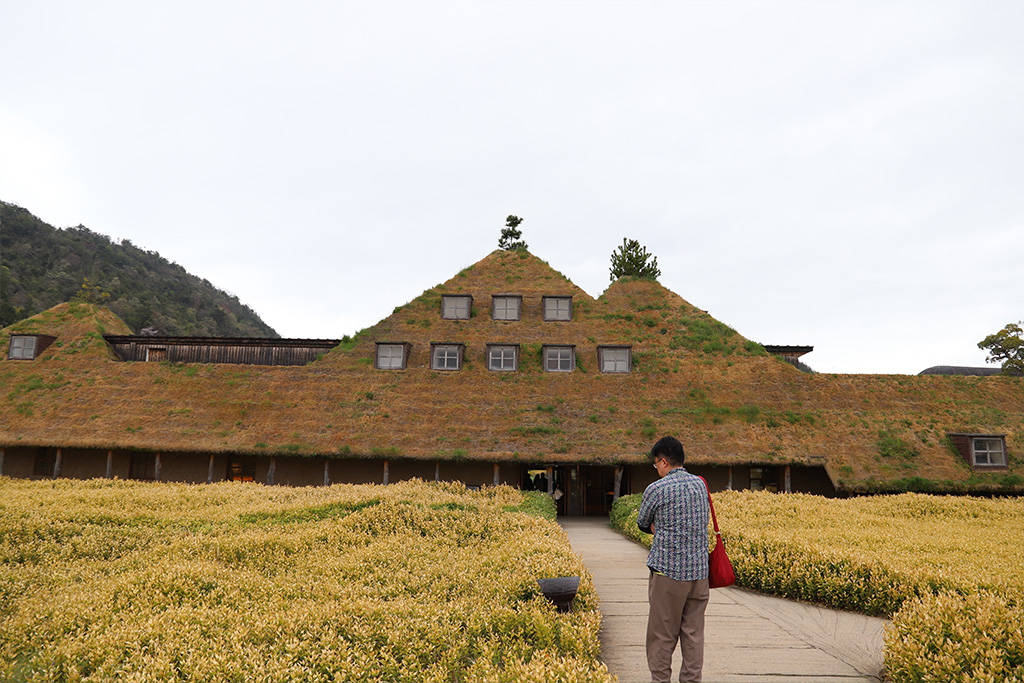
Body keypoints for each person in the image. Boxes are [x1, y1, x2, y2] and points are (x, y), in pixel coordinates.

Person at [636, 436, 710, 683]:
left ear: (664, 461)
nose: (656, 468)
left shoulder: (657, 489)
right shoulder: (701, 485)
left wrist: (660, 527)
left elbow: (642, 522)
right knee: (693, 635)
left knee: (662, 636)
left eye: (655, 463)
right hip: (699, 575)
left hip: (668, 573)